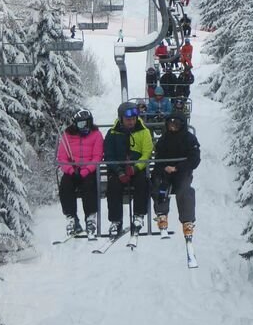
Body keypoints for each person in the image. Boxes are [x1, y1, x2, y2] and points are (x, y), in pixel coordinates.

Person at [103, 102, 153, 236]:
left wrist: (136, 168)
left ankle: (138, 216)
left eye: (133, 119)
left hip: (136, 168)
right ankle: (116, 220)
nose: (131, 122)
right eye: (127, 119)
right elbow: (108, 155)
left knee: (142, 182)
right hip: (118, 169)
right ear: (121, 119)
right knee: (113, 186)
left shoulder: (144, 131)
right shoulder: (113, 133)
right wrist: (118, 171)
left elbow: (147, 153)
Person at [150, 110, 201, 240]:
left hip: (182, 171)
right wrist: (164, 167)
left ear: (182, 124)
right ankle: (161, 213)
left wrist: (178, 167)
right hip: (165, 171)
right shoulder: (164, 139)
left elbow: (194, 160)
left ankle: (187, 221)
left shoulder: (189, 139)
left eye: (176, 124)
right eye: (170, 124)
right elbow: (159, 158)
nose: (173, 127)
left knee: (184, 190)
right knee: (159, 185)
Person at [56, 109, 103, 238]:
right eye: (82, 124)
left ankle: (90, 217)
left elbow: (97, 156)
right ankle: (71, 217)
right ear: (75, 124)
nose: (85, 127)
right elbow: (62, 158)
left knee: (89, 185)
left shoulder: (96, 135)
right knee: (65, 185)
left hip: (88, 171)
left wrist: (86, 170)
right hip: (73, 170)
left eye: (88, 123)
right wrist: (71, 170)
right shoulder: (67, 136)